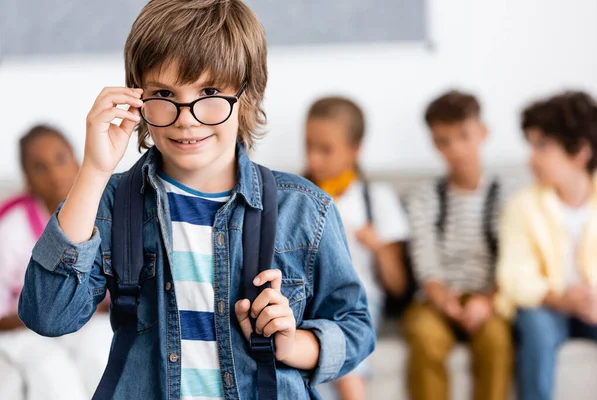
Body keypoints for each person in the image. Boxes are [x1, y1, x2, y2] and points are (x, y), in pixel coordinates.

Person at [17, 1, 375, 399]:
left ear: (247, 94)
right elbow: (47, 315)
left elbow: (355, 327)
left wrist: (295, 345)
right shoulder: (113, 203)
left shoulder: (307, 210)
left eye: (209, 91)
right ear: (137, 99)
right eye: (164, 93)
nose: (186, 117)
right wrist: (94, 172)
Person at [402, 90, 512, 400]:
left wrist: (487, 301)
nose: (456, 149)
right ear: (434, 144)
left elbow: (512, 260)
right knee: (424, 336)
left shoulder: (506, 196)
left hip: (487, 298)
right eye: (444, 141)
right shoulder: (425, 197)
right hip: (437, 299)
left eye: (464, 136)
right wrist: (442, 299)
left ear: (482, 133)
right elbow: (425, 260)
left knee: (497, 341)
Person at [496, 91, 597, 400]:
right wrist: (561, 298)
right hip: (547, 305)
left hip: (593, 305)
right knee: (537, 329)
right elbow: (514, 276)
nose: (531, 158)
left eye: (542, 146)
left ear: (580, 151)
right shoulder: (522, 205)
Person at [304, 97, 409, 400]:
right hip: (310, 302)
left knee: (346, 362)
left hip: (360, 302)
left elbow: (397, 284)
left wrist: (378, 247)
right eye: (308, 145)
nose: (314, 159)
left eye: (325, 149)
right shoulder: (297, 197)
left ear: (355, 149)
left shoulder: (377, 200)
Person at [0, 125, 112, 399]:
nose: (54, 174)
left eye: (61, 159)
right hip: (26, 330)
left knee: (101, 349)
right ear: (28, 179)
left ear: (77, 159)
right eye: (40, 168)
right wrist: (47, 317)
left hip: (85, 323)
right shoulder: (13, 228)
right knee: (52, 371)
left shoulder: (104, 212)